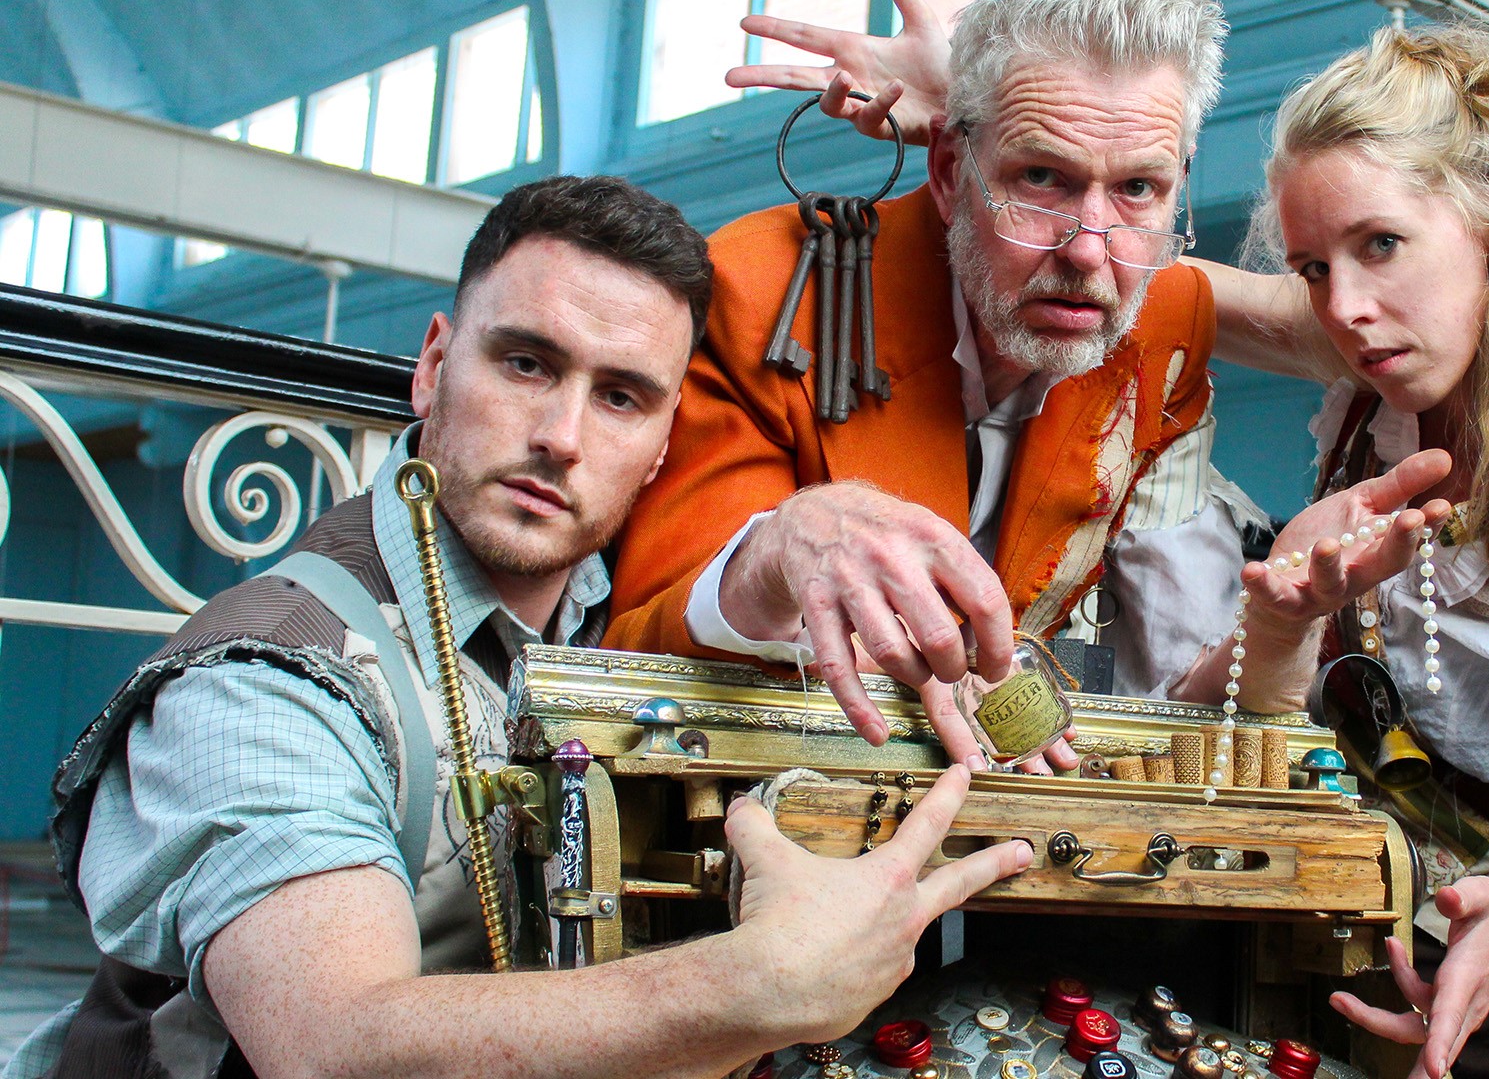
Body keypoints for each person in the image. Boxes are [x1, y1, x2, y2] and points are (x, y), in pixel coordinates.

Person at [726, 12, 1489, 1079]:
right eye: (1313, 267)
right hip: (1305, 890)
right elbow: (1112, 269)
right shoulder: (1383, 365)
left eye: (1383, 244)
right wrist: (986, 128)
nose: (1345, 308)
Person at [5, 176, 1031, 1079]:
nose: (561, 437)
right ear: (434, 366)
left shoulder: (601, 617)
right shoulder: (270, 676)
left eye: (620, 396)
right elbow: (332, 1048)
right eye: (528, 364)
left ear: (661, 447)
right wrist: (758, 984)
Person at [603, 0, 1446, 773]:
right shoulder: (762, 292)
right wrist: (779, 549)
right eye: (1042, 178)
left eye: (1138, 188)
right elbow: (632, 655)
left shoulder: (1168, 321)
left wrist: (1278, 620)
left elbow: (1165, 685)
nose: (1089, 252)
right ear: (947, 170)